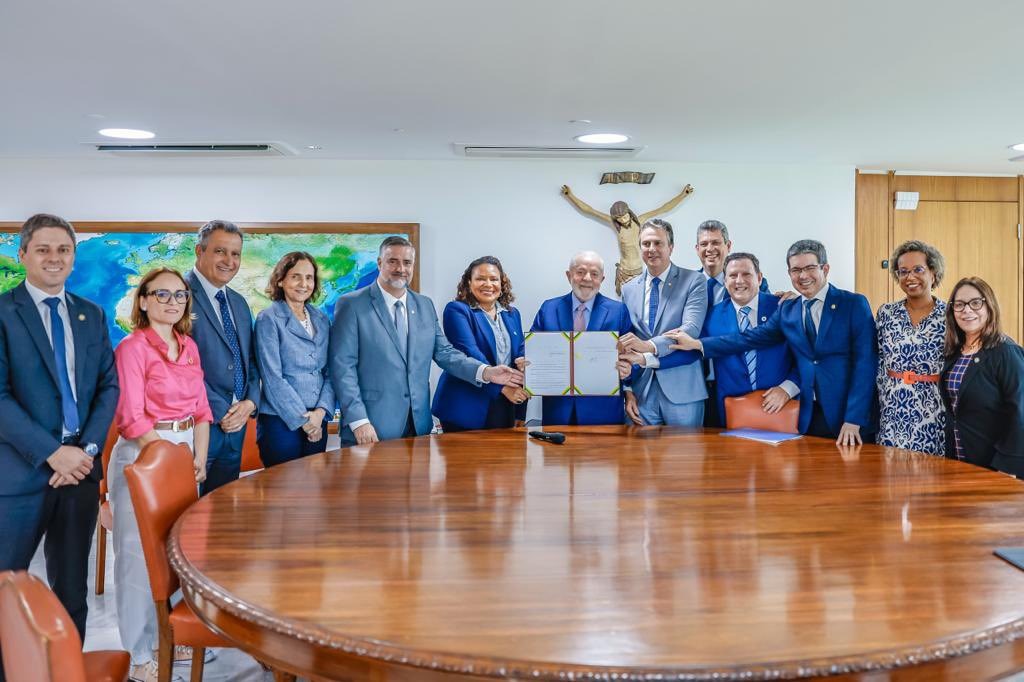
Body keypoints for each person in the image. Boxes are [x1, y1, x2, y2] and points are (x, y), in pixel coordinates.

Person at [0, 214, 118, 671]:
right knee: (8, 587)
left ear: (74, 256)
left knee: (72, 588)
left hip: (80, 475)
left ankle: (68, 672)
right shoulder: (4, 312)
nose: (54, 258)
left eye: (63, 250)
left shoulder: (91, 313)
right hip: (21, 474)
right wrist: (52, 452)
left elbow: (108, 387)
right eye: (44, 249)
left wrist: (85, 451)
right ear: (23, 254)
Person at [108, 267, 213, 682]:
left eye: (180, 295)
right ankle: (139, 652)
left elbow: (202, 411)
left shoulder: (188, 346)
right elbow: (131, 418)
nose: (172, 302)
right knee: (137, 559)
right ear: (145, 300)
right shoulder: (132, 348)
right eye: (162, 295)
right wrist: (171, 460)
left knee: (176, 553)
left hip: (186, 453)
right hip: (144, 457)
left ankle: (167, 636)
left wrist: (198, 459)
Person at [667, 239, 878, 445]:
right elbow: (749, 338)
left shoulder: (853, 304)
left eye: (810, 268)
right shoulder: (788, 309)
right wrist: (698, 344)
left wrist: (854, 419)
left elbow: (866, 365)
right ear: (789, 274)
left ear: (825, 268)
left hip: (848, 420)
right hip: (806, 416)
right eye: (796, 270)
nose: (803, 276)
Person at [330, 236, 524, 446]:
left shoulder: (424, 305)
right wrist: (359, 421)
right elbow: (342, 367)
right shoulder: (352, 304)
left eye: (407, 262)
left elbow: (446, 354)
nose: (400, 268)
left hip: (418, 425)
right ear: (379, 263)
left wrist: (486, 372)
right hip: (371, 426)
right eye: (392, 261)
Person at [185, 220, 260, 494]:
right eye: (220, 251)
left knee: (220, 515)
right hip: (196, 427)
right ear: (199, 251)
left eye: (236, 253)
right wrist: (221, 410)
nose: (229, 261)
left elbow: (250, 360)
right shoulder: (177, 296)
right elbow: (176, 366)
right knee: (185, 519)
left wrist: (249, 403)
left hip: (236, 428)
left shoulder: (239, 303)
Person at [617, 219, 708, 426]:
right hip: (641, 393)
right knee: (636, 457)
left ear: (671, 247)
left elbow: (691, 329)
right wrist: (628, 389)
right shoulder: (628, 289)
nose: (652, 249)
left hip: (683, 391)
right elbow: (625, 339)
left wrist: (648, 346)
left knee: (684, 457)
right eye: (646, 244)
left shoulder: (694, 281)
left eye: (658, 243)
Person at [530, 251, 634, 425]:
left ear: (602, 279)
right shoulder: (548, 308)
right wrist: (524, 360)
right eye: (580, 272)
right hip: (557, 411)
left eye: (594, 274)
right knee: (556, 453)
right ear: (568, 275)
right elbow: (529, 348)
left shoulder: (619, 311)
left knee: (605, 454)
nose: (587, 278)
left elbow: (633, 355)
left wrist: (629, 368)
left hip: (603, 412)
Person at [254, 252, 334, 466]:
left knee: (315, 490)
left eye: (309, 277)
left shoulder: (322, 319)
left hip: (317, 417)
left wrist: (320, 413)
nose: (303, 283)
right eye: (295, 276)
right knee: (284, 491)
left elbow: (329, 372)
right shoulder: (268, 319)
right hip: (280, 421)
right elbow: (272, 378)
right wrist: (303, 420)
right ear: (281, 280)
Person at [432, 256, 528, 432]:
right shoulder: (457, 310)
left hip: (506, 404)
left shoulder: (513, 314)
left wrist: (520, 411)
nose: (488, 284)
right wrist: (502, 388)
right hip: (465, 407)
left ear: (502, 283)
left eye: (494, 279)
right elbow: (470, 353)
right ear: (469, 282)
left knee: (506, 459)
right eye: (480, 279)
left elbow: (518, 359)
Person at [701, 252, 798, 426]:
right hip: (731, 412)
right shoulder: (711, 317)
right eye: (732, 275)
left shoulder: (784, 308)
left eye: (746, 274)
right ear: (725, 281)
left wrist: (788, 388)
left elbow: (806, 357)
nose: (739, 281)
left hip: (784, 407)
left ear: (759, 278)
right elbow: (695, 351)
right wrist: (648, 355)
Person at [940, 277, 1024, 476]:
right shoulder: (955, 352)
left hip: (996, 467)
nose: (967, 310)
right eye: (959, 305)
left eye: (976, 303)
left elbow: (1020, 412)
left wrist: (1007, 467)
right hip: (959, 461)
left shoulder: (1006, 352)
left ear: (990, 306)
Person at [693, 219, 770, 426]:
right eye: (705, 244)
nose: (710, 249)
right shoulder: (687, 284)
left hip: (738, 382)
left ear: (728, 246)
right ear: (697, 248)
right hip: (697, 384)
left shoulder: (750, 284)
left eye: (716, 242)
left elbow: (762, 333)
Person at [875, 240, 947, 454]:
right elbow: (878, 359)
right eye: (903, 271)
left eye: (918, 269)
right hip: (893, 410)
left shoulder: (950, 314)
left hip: (934, 411)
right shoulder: (886, 313)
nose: (910, 277)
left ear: (933, 273)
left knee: (932, 478)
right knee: (892, 477)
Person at [561, 184, 694, 294]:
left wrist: (683, 194)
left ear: (629, 213)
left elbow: (663, 209)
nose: (623, 220)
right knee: (625, 303)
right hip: (624, 271)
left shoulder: (640, 222)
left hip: (639, 271)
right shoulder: (615, 225)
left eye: (625, 216)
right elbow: (590, 210)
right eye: (619, 219)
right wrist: (570, 196)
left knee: (640, 304)